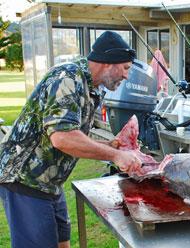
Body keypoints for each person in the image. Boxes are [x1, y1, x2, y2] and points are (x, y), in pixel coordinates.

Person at [0, 31, 142, 248]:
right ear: (107, 63)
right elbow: (62, 138)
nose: (126, 76)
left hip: (51, 183)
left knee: (62, 243)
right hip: (25, 179)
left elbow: (74, 134)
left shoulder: (92, 88)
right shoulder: (67, 78)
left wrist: (110, 146)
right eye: (125, 68)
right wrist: (116, 155)